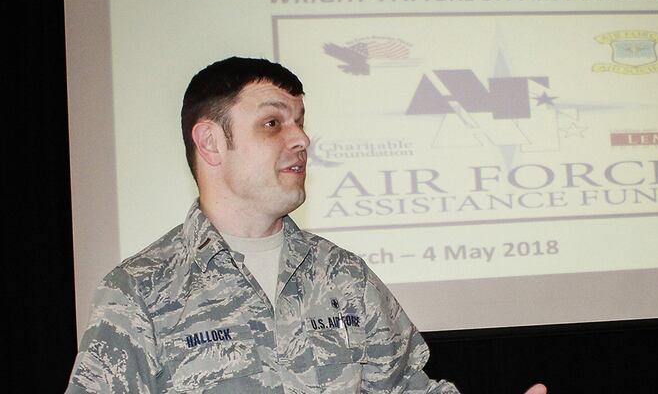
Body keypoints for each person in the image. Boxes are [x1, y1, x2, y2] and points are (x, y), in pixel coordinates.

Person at [66, 57, 547, 394]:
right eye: (273, 123)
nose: (301, 139)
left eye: (300, 121)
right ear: (211, 142)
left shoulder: (345, 277)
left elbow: (408, 389)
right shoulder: (139, 293)